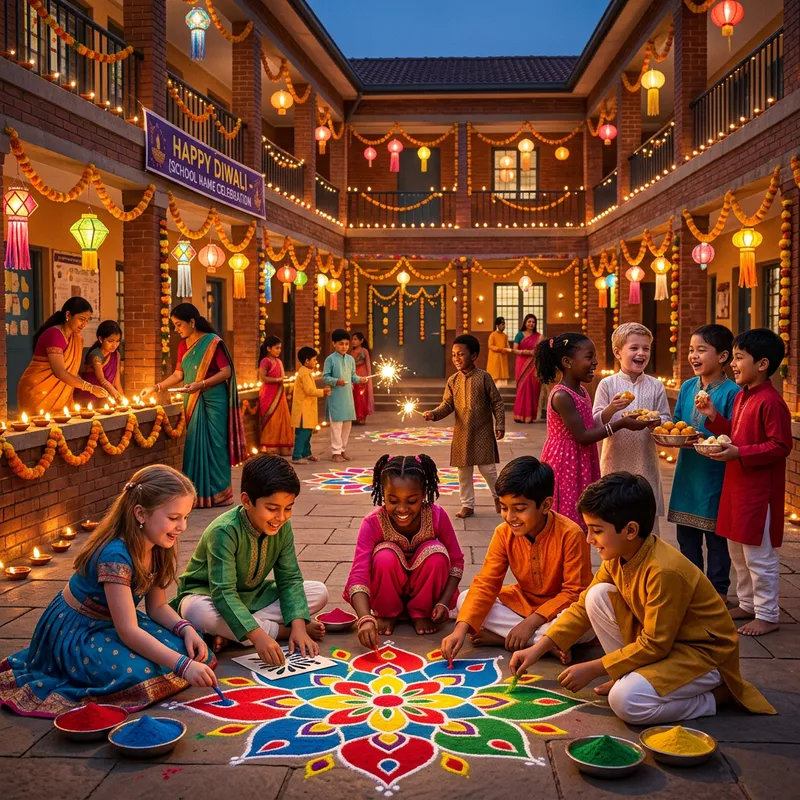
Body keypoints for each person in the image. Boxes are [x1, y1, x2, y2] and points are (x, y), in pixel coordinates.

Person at [509, 473, 776, 725]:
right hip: (665, 647)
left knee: (626, 701)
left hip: (703, 656)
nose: (589, 539)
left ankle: (716, 697)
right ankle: (625, 674)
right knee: (595, 596)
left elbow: (655, 645)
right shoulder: (619, 555)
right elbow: (580, 609)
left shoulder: (663, 571)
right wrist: (538, 648)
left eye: (597, 530)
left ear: (630, 530)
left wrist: (594, 668)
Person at [0, 465, 218, 717]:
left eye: (186, 517)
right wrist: (183, 667)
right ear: (141, 514)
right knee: (137, 674)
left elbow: (157, 607)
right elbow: (128, 631)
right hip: (79, 629)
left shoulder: (160, 544)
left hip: (117, 621)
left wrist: (186, 628)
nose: (182, 526)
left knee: (187, 648)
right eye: (173, 517)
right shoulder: (115, 555)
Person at [173, 455, 328, 664]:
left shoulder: (282, 527)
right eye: (272, 509)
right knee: (197, 612)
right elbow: (223, 593)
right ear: (247, 501)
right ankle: (278, 631)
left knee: (318, 591)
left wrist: (300, 629)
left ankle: (233, 634)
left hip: (253, 598)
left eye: (288, 508)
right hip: (209, 597)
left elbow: (290, 579)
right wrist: (259, 638)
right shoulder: (224, 531)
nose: (281, 517)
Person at [441, 457, 594, 664]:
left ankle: (513, 638)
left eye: (519, 509)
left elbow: (574, 591)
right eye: (504, 507)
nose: (509, 517)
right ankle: (547, 644)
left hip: (561, 609)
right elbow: (487, 582)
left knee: (588, 621)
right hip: (521, 603)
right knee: (465, 600)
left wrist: (531, 623)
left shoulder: (571, 534)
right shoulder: (503, 533)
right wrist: (460, 629)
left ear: (546, 505)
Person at [699, 328, 792, 637]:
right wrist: (713, 416)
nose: (734, 364)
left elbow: (780, 446)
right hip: (736, 486)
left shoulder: (771, 401)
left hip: (758, 492)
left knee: (758, 555)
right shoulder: (743, 398)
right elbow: (737, 435)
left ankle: (768, 613)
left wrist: (739, 452)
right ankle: (749, 603)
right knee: (737, 552)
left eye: (739, 358)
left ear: (763, 364)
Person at [535, 333, 650, 530]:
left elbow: (590, 425)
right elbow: (582, 436)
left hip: (581, 458)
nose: (595, 362)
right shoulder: (562, 395)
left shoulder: (581, 391)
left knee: (584, 514)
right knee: (568, 520)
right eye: (589, 357)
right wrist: (620, 423)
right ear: (567, 362)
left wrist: (611, 410)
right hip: (565, 461)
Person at [345, 454, 464, 641]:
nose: (402, 509)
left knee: (437, 554)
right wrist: (365, 618)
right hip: (385, 595)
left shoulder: (437, 516)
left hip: (429, 601)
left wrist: (443, 602)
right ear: (382, 494)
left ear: (424, 494)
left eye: (411, 501)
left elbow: (457, 561)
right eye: (392, 501)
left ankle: (421, 613)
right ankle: (386, 613)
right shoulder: (373, 522)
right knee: (385, 555)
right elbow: (358, 572)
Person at [141, 303, 246, 508]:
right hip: (193, 400)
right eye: (174, 325)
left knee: (216, 446)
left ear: (192, 322)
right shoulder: (183, 346)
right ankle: (197, 496)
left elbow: (226, 372)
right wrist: (155, 387)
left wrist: (201, 384)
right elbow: (179, 375)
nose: (176, 329)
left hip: (215, 399)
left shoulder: (213, 343)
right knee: (194, 445)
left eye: (179, 325)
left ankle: (220, 494)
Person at [668, 325, 739, 601]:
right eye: (690, 350)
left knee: (716, 538)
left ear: (722, 357)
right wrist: (670, 431)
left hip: (716, 473)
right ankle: (692, 588)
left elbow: (736, 432)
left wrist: (711, 418)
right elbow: (677, 423)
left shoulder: (732, 392)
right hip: (687, 471)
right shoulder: (687, 386)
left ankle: (718, 592)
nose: (693, 356)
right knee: (686, 537)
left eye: (701, 350)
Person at [592, 323, 670, 529]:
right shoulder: (607, 385)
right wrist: (612, 408)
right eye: (634, 348)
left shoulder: (656, 386)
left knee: (646, 525)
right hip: (614, 462)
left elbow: (666, 418)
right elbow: (595, 422)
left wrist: (656, 422)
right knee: (613, 522)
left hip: (646, 462)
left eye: (646, 348)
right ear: (618, 352)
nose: (641, 353)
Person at [424, 334, 505, 519]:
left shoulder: (484, 377)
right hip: (462, 433)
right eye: (454, 355)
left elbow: (497, 403)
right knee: (463, 472)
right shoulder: (453, 380)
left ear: (474, 356)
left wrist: (499, 424)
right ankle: (467, 505)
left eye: (461, 354)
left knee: (488, 471)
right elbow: (447, 405)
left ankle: (499, 498)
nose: (456, 358)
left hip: (483, 431)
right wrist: (434, 414)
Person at [17, 297, 108, 414]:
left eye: (87, 320)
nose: (84, 324)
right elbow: (59, 371)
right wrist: (90, 388)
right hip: (39, 392)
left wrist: (91, 387)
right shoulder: (54, 334)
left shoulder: (76, 339)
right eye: (81, 319)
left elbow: (72, 373)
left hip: (61, 395)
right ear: (68, 315)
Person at [323, 328, 367, 462]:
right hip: (335, 397)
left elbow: (352, 376)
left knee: (347, 425)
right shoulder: (330, 360)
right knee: (336, 425)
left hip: (348, 397)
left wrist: (361, 379)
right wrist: (337, 381)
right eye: (341, 344)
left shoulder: (350, 359)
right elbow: (325, 377)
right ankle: (335, 452)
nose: (344, 347)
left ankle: (342, 450)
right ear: (334, 344)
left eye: (347, 344)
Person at [291, 346, 331, 464]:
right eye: (314, 360)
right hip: (303, 410)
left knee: (307, 433)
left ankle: (306, 453)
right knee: (303, 433)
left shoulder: (306, 372)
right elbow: (309, 390)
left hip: (307, 408)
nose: (315, 362)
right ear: (306, 361)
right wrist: (322, 391)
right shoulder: (304, 373)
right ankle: (296, 456)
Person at [258, 336, 293, 456]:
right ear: (268, 348)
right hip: (268, 394)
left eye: (280, 348)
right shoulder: (265, 361)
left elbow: (282, 377)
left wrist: (281, 380)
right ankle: (270, 445)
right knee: (272, 420)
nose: (279, 350)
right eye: (276, 348)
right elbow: (263, 378)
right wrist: (278, 379)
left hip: (279, 393)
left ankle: (281, 444)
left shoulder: (279, 362)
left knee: (282, 419)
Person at [74, 320, 124, 405]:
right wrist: (114, 393)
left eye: (117, 341)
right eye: (110, 341)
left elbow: (117, 381)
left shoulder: (116, 355)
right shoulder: (95, 356)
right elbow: (102, 380)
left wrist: (122, 397)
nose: (114, 345)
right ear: (101, 339)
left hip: (106, 398)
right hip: (89, 397)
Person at [512, 313, 542, 423]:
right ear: (525, 322)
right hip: (521, 363)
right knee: (522, 388)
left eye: (533, 322)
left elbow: (540, 351)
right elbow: (514, 350)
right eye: (529, 321)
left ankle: (530, 416)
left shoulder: (539, 336)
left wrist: (534, 353)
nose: (531, 324)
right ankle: (519, 415)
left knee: (533, 389)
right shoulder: (519, 335)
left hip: (534, 365)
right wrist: (525, 352)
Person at [351, 331, 375, 424]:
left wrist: (368, 377)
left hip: (363, 376)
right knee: (355, 397)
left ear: (361, 341)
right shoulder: (351, 351)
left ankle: (362, 417)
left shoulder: (364, 351)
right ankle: (355, 417)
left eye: (355, 339)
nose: (353, 341)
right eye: (352, 339)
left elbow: (368, 364)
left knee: (362, 397)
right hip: (354, 376)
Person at [487, 317, 511, 387]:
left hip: (503, 359)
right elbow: (490, 345)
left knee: (503, 381)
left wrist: (508, 349)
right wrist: (500, 349)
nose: (503, 326)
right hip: (495, 360)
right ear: (497, 325)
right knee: (494, 380)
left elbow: (507, 346)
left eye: (504, 324)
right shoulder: (493, 335)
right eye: (502, 324)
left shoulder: (505, 336)